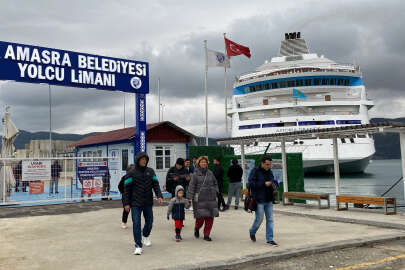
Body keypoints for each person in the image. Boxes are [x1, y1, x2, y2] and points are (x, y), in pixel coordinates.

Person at [124, 152, 163, 255]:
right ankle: (138, 245)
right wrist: (126, 203)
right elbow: (126, 190)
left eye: (145, 159)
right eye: (142, 159)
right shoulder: (131, 173)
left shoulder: (151, 171)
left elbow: (156, 184)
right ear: (138, 160)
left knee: (149, 223)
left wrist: (159, 195)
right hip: (135, 203)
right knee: (136, 223)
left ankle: (145, 235)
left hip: (148, 202)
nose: (144, 161)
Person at [248, 156, 279, 246]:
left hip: (269, 199)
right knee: (259, 219)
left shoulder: (270, 172)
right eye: (267, 164)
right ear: (262, 163)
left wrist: (274, 185)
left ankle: (270, 239)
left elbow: (272, 181)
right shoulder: (255, 171)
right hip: (259, 200)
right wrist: (264, 184)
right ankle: (252, 231)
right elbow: (251, 183)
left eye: (269, 165)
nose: (268, 166)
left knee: (270, 219)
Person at [187, 156, 219, 241]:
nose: (203, 163)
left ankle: (206, 235)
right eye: (202, 162)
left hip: (210, 198)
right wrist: (190, 197)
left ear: (207, 163)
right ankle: (197, 228)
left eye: (205, 162)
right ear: (198, 163)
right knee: (200, 218)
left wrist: (215, 191)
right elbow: (191, 186)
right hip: (199, 199)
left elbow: (215, 183)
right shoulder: (195, 174)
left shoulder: (210, 173)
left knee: (210, 218)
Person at [118, 164, 136, 229]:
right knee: (126, 210)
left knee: (136, 209)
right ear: (128, 171)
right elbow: (120, 186)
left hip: (135, 196)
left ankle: (136, 222)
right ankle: (124, 222)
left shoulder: (136, 177)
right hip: (126, 196)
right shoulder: (124, 177)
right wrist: (123, 192)